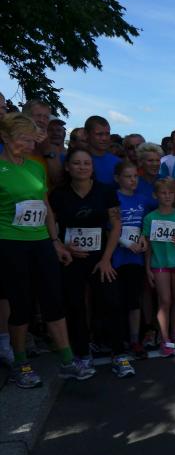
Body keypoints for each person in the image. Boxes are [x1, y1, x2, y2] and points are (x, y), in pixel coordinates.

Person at [0, 113, 95, 387]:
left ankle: (68, 361)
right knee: (21, 306)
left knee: (54, 300)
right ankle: (21, 364)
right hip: (10, 243)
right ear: (5, 137)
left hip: (41, 241)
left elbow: (46, 208)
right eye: (24, 139)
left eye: (33, 140)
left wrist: (55, 242)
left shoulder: (35, 167)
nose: (31, 145)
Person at [50, 147, 134, 377]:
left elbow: (115, 225)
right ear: (68, 167)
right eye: (77, 163)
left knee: (112, 302)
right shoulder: (59, 194)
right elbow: (50, 223)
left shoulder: (105, 191)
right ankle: (82, 353)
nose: (82, 167)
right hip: (71, 258)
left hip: (101, 258)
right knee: (75, 305)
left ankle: (119, 353)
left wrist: (106, 258)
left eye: (87, 163)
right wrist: (61, 245)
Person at [143, 177, 175, 357]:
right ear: (156, 195)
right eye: (163, 193)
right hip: (159, 263)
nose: (167, 196)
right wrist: (147, 268)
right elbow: (148, 245)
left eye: (171, 192)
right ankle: (164, 339)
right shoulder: (150, 218)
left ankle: (174, 334)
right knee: (165, 300)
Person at [112, 161, 149, 359]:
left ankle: (135, 340)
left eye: (135, 176)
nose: (133, 180)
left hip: (136, 259)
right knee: (117, 302)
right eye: (128, 176)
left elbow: (146, 224)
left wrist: (143, 237)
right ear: (117, 179)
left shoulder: (142, 199)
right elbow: (108, 227)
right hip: (117, 258)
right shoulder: (113, 199)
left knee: (134, 301)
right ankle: (118, 341)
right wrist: (126, 242)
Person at [82, 115, 121, 186]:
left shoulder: (118, 163)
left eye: (107, 134)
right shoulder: (76, 161)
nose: (104, 138)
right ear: (86, 134)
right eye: (99, 134)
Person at [135, 142, 163, 212]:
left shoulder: (165, 182)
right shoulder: (134, 183)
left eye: (157, 160)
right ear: (140, 162)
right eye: (150, 160)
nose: (155, 164)